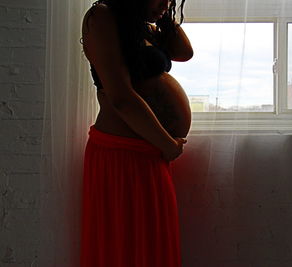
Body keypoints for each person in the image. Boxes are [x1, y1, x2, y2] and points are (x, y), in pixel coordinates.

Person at [79, 0, 193, 266]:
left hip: (149, 152)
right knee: (125, 247)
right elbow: (120, 97)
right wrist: (168, 145)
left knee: (150, 245)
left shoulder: (142, 26)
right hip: (121, 154)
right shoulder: (103, 17)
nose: (166, 3)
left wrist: (162, 15)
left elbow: (185, 52)